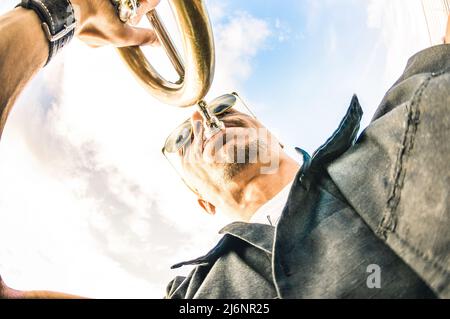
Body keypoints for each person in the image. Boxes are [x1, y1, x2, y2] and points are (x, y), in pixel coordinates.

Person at [0, 0, 449, 299]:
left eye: (227, 106)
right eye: (182, 140)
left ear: (275, 138)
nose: (204, 118)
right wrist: (55, 13)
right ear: (201, 200)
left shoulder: (404, 117)